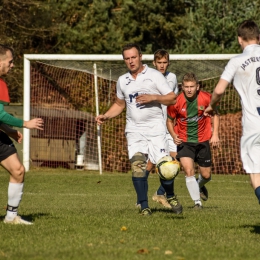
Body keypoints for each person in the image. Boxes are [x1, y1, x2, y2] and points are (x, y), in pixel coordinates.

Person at [96, 43, 181, 216]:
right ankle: (144, 206)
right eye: (127, 58)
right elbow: (120, 104)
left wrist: (153, 97)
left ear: (140, 56)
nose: (131, 61)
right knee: (138, 166)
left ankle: (170, 194)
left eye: (133, 57)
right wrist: (106, 115)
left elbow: (172, 98)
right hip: (134, 130)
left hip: (156, 130)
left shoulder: (155, 75)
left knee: (166, 169)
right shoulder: (122, 80)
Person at [204, 20, 260, 206]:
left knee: (255, 172)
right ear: (258, 37)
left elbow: (219, 90)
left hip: (254, 123)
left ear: (239, 39)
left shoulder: (236, 61)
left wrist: (211, 105)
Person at [0, 44, 44, 225]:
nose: (12, 66)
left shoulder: (1, 83)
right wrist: (26, 123)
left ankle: (11, 217)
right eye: (10, 62)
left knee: (18, 170)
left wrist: (9, 131)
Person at [167, 72, 220, 209]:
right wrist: (173, 135)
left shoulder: (206, 98)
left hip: (203, 140)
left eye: (192, 86)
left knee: (206, 175)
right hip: (184, 142)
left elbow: (215, 115)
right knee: (188, 170)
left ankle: (199, 184)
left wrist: (215, 135)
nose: (189, 89)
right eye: (186, 87)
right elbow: (169, 121)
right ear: (182, 87)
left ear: (197, 87)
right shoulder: (176, 102)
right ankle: (197, 202)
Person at [142, 49, 180, 210]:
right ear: (154, 63)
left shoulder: (172, 78)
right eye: (159, 63)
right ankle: (141, 197)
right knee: (150, 164)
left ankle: (160, 193)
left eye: (165, 62)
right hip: (154, 126)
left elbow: (174, 101)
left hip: (169, 126)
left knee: (174, 161)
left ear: (168, 63)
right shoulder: (147, 78)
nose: (162, 65)